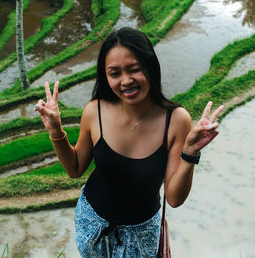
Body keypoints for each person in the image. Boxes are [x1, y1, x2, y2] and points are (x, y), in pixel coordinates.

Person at [34, 27, 224, 257]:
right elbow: (75, 168)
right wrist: (56, 130)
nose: (126, 81)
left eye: (134, 69)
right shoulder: (95, 111)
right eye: (115, 73)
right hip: (92, 222)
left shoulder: (175, 120)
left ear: (150, 67)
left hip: (142, 232)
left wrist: (190, 152)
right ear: (105, 76)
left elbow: (174, 199)